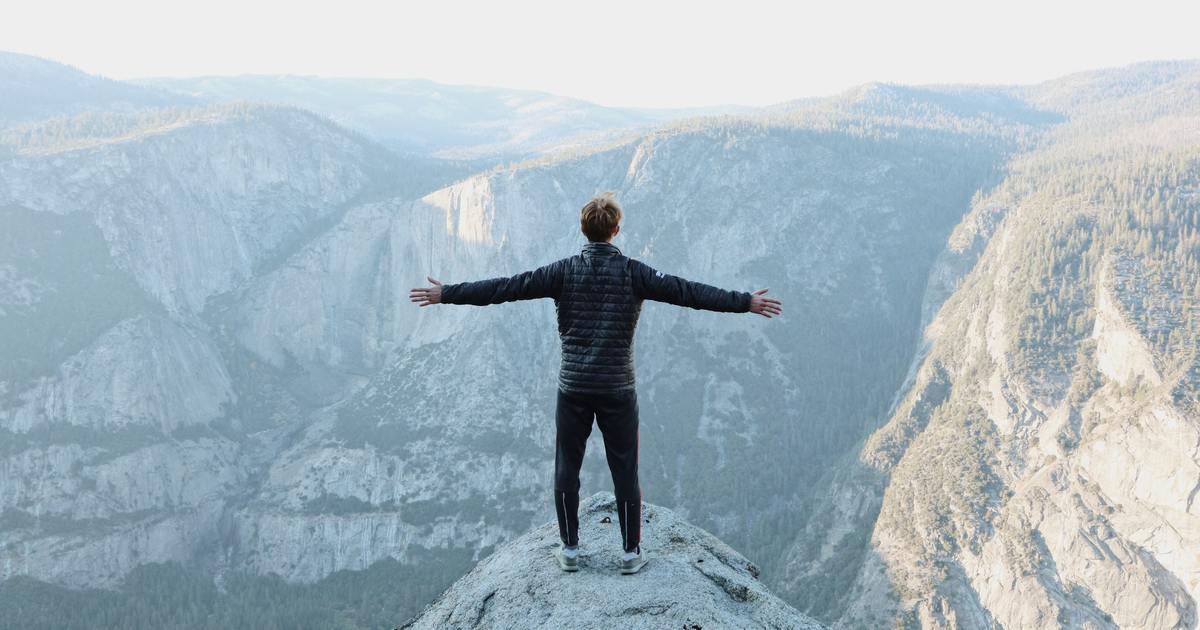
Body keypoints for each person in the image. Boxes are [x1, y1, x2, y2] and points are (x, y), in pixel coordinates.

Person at [409, 192, 782, 574]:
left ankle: (569, 550)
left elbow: (505, 287)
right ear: (616, 230)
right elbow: (689, 292)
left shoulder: (562, 271)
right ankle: (630, 553)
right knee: (625, 470)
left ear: (583, 230)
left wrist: (447, 294)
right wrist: (744, 302)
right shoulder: (636, 273)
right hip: (618, 389)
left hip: (573, 388)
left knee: (566, 467)